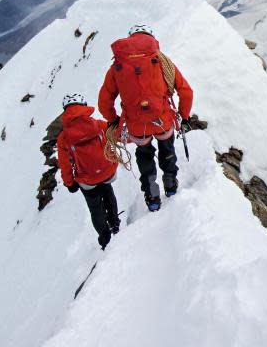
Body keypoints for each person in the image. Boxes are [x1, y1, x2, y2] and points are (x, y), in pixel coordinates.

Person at [98, 24, 193, 212]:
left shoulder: (117, 65)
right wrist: (184, 116)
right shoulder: (162, 61)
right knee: (167, 148)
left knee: (144, 156)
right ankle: (171, 184)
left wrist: (113, 120)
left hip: (136, 125)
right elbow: (186, 91)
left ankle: (152, 196)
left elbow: (104, 100)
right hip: (163, 120)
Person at [57, 93, 121, 249]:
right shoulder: (98, 124)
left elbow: (65, 164)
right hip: (107, 171)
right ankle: (115, 225)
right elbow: (116, 133)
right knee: (108, 193)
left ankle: (105, 237)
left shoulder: (64, 137)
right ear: (83, 107)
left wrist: (69, 183)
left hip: (86, 180)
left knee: (95, 207)